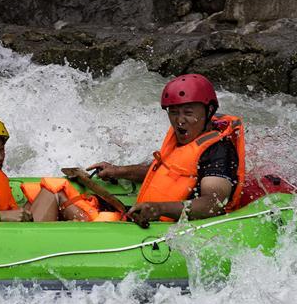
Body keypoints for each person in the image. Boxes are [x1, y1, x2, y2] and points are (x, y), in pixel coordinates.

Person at [88, 74, 246, 228]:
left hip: (184, 227)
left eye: (188, 113)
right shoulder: (182, 138)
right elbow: (164, 172)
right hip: (156, 218)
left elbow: (213, 204)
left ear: (209, 110)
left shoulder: (219, 151)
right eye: (174, 112)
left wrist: (159, 209)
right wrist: (117, 171)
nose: (180, 120)